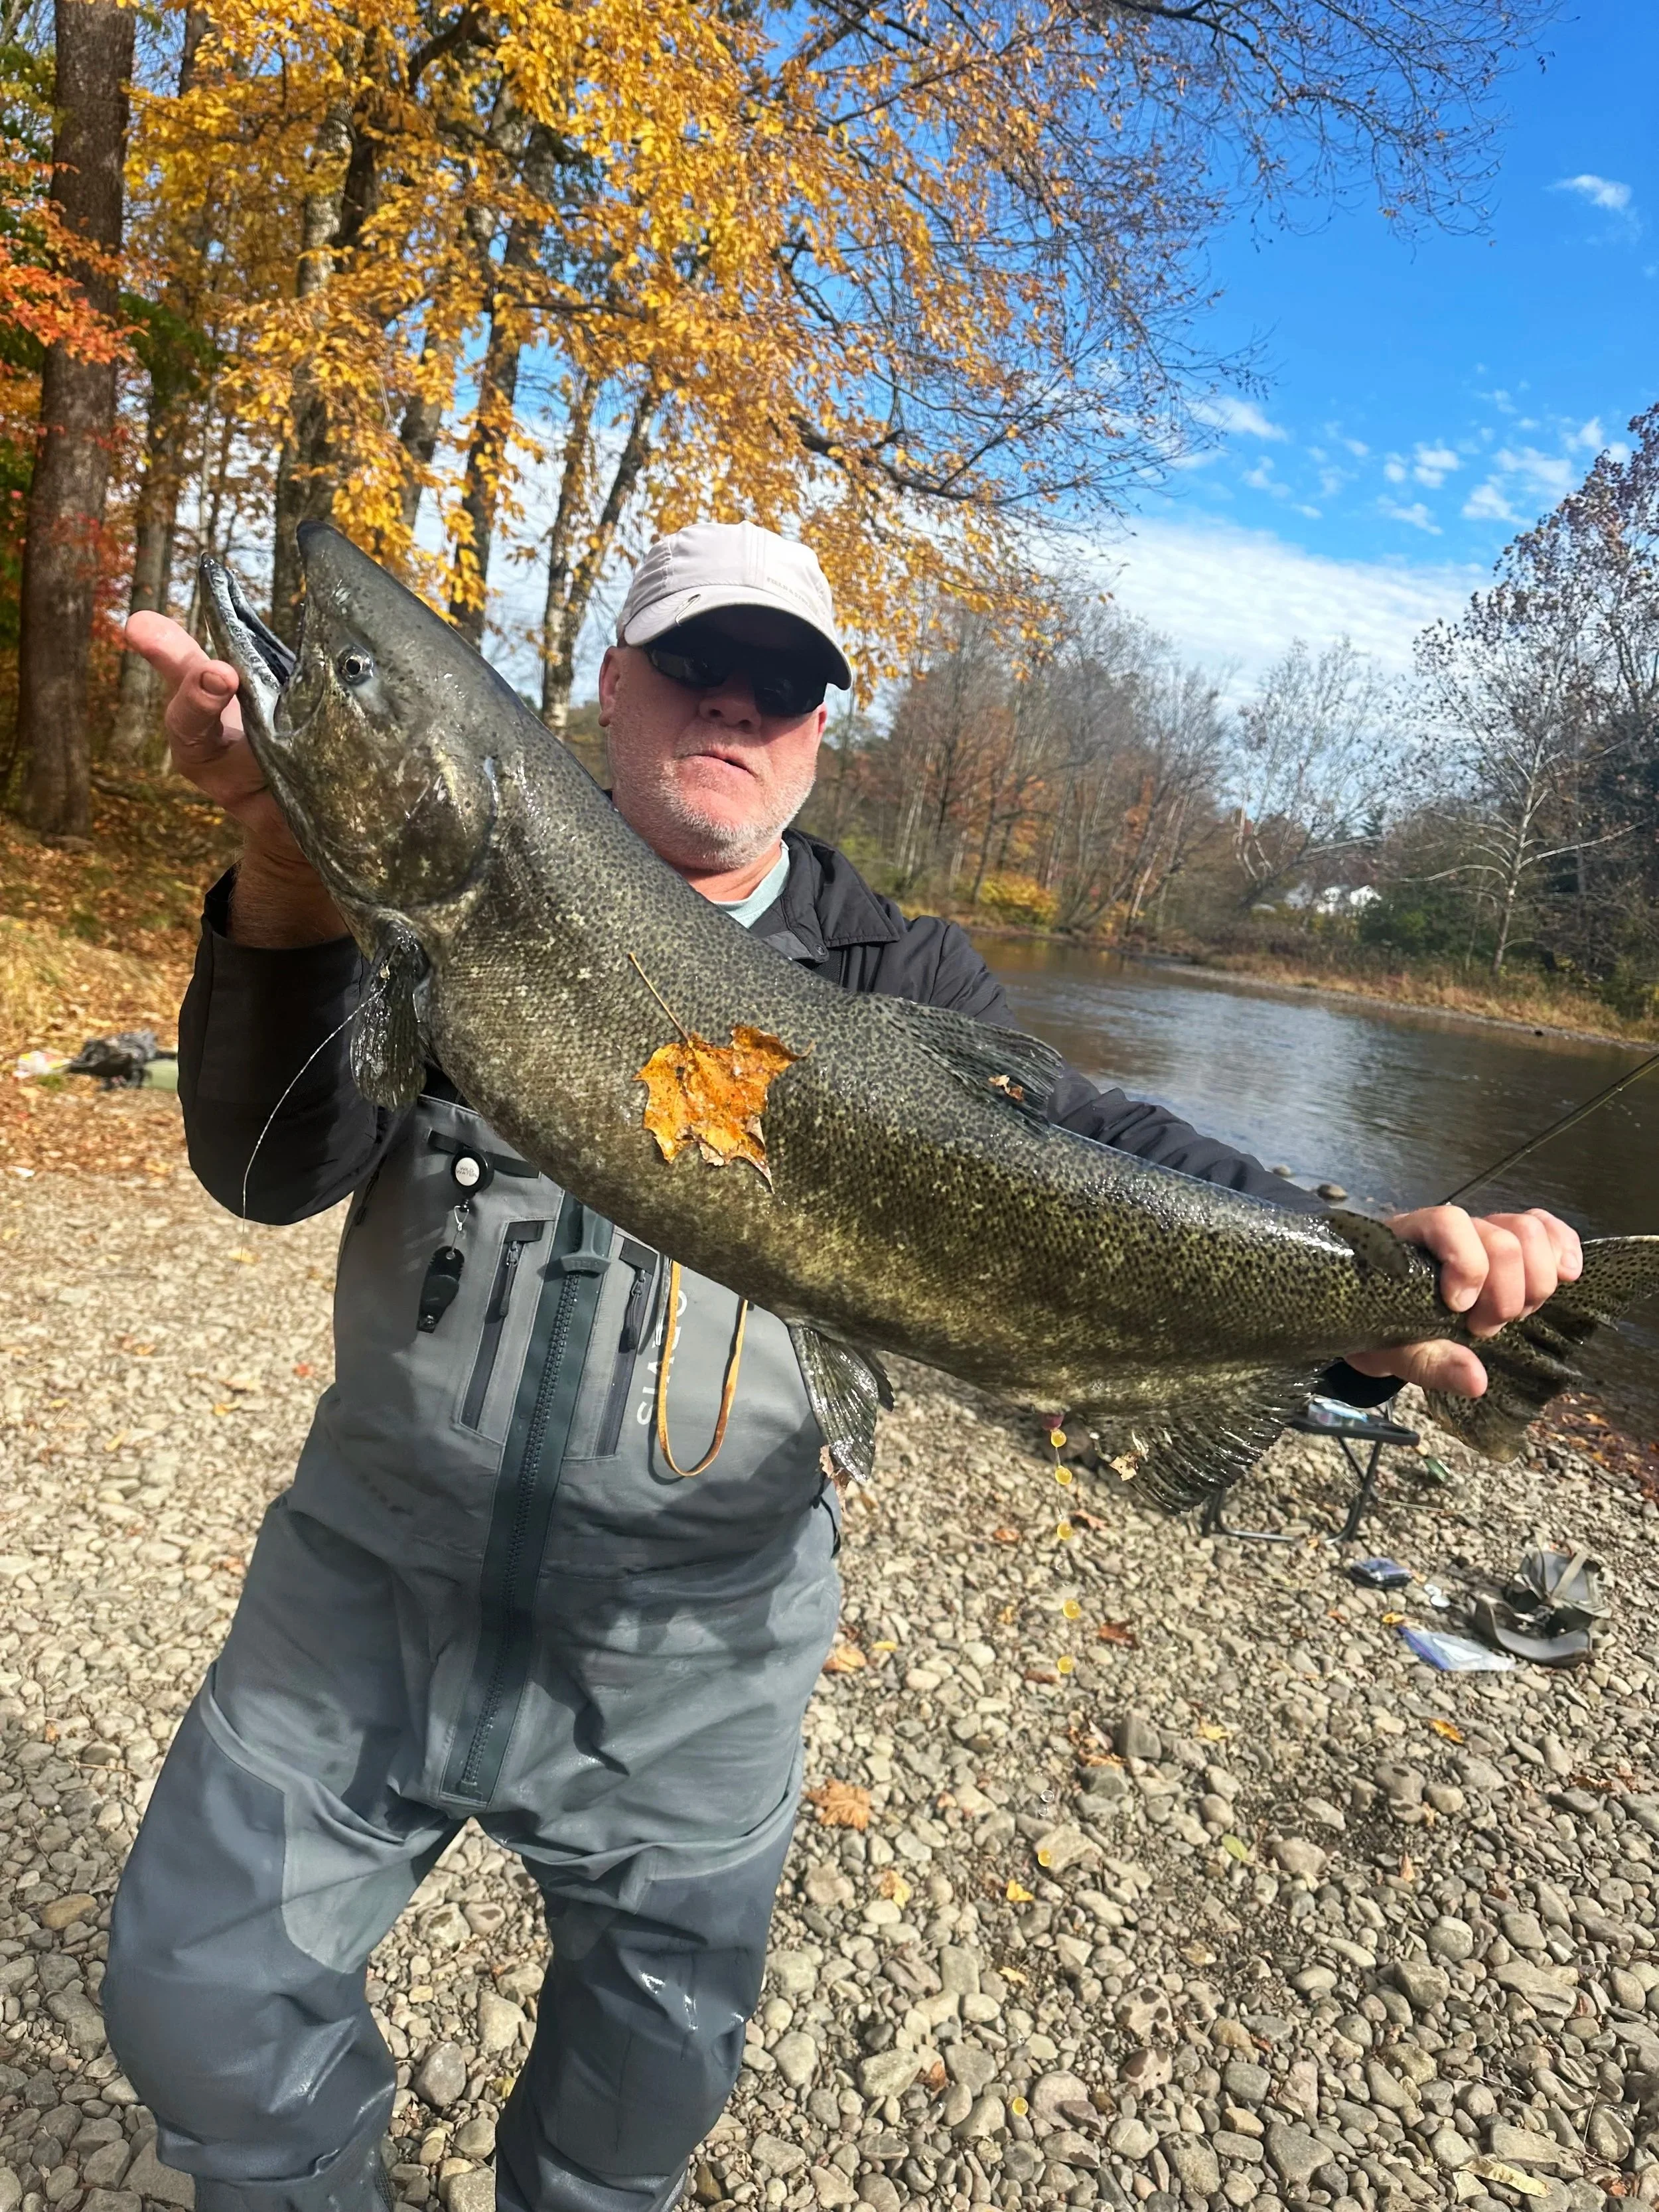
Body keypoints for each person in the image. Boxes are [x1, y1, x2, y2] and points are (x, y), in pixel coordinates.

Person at [107, 520, 1581, 2212]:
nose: (736, 706)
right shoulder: (455, 885)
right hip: (362, 1592)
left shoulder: (901, 972)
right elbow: (264, 1173)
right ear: (607, 686)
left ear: (819, 730)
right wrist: (284, 861)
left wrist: (1370, 1276)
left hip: (696, 1654)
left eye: (783, 683)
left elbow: (1101, 1155)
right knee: (198, 2006)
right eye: (694, 668)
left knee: (639, 2095)